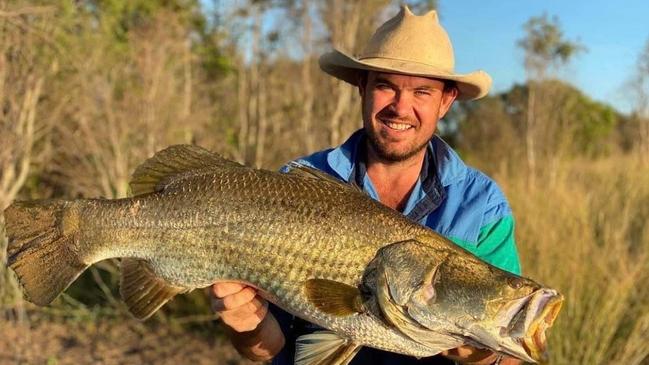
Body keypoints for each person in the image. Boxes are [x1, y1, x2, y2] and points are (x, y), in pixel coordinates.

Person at [210, 6, 522, 365]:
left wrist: (481, 357)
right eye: (386, 86)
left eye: (422, 92)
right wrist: (246, 326)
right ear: (363, 87)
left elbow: (510, 352)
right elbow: (270, 349)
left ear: (446, 101)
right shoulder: (296, 184)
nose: (401, 108)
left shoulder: (482, 206)